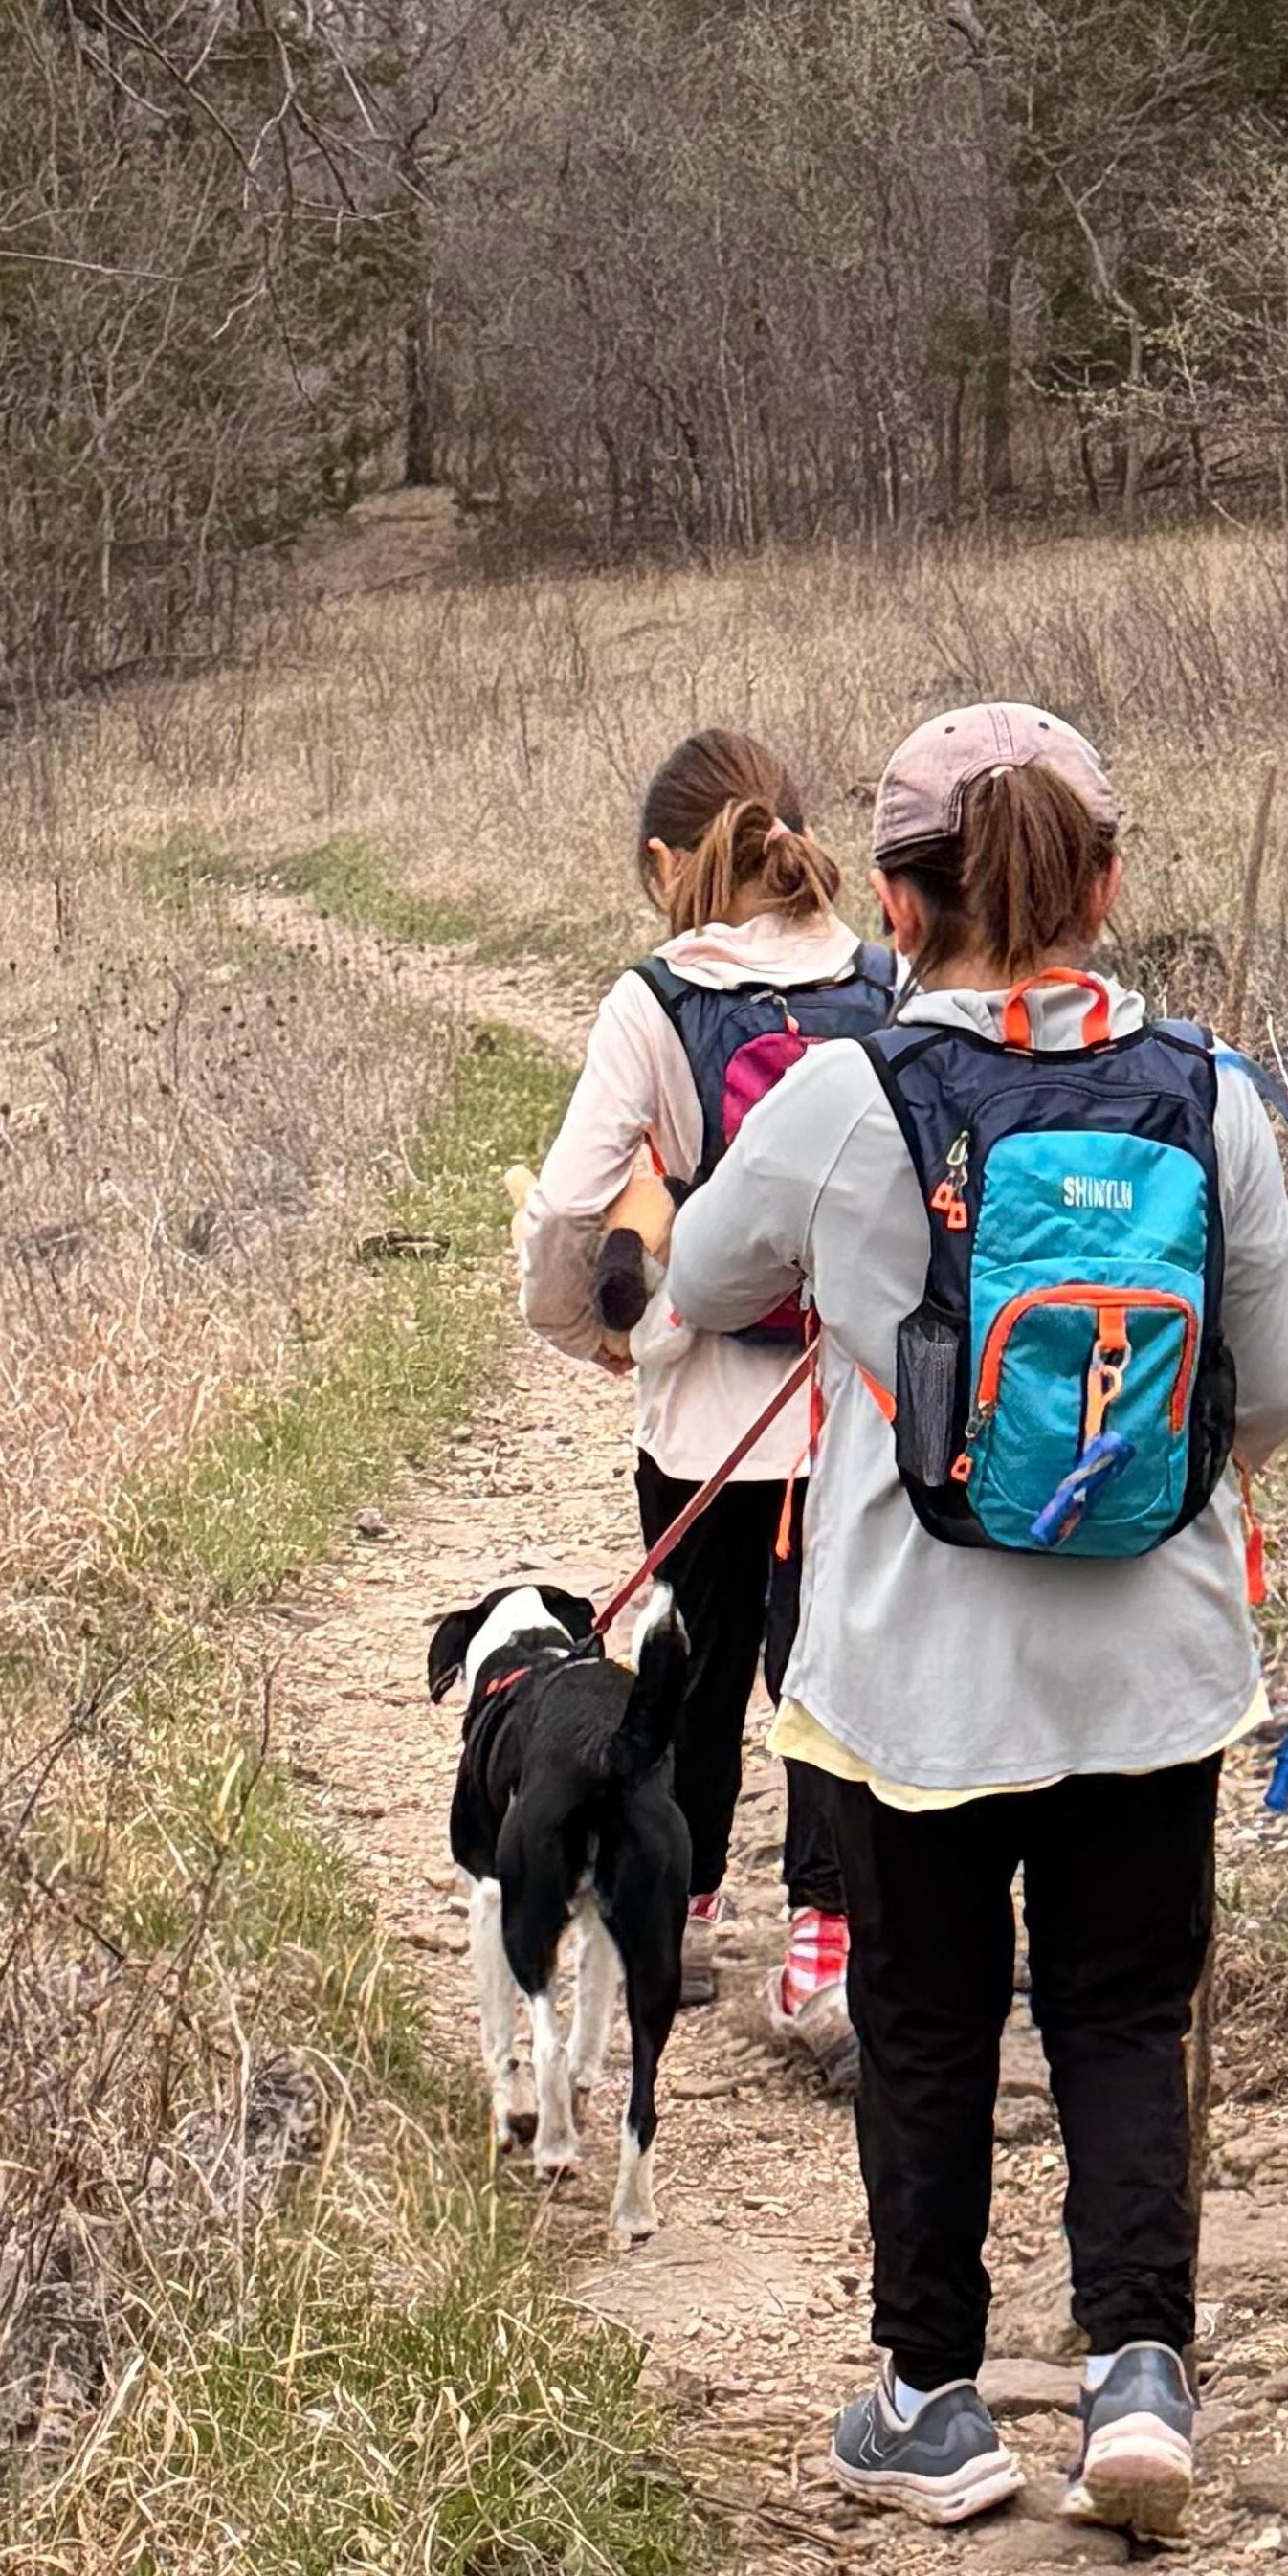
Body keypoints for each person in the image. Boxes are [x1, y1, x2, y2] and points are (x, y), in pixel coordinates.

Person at [663, 700, 1288, 2537]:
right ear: (1106, 888)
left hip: (914, 1675)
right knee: (1120, 2007)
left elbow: (703, 1274)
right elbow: (1275, 1388)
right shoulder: (1209, 1094)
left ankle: (931, 2403)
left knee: (930, 2017)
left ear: (893, 899)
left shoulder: (844, 1093)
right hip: (1153, 1661)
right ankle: (1140, 2377)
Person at [514, 730, 892, 2041]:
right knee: (829, 1670)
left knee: (696, 1660)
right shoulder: (884, 979)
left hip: (703, 1421)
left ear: (665, 863)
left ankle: (681, 1904)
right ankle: (827, 1942)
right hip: (853, 1410)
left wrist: (593, 1334)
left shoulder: (655, 1001)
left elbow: (571, 1202)